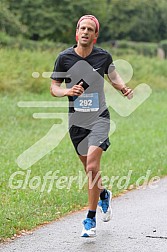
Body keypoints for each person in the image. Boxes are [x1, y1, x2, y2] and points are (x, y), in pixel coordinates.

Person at [50, 14, 133, 237]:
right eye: (82, 28)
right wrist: (67, 91)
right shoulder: (64, 58)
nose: (85, 32)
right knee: (91, 172)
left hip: (99, 119)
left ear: (95, 35)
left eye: (90, 29)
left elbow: (114, 77)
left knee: (91, 167)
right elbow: (54, 87)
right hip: (77, 122)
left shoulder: (103, 57)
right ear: (77, 32)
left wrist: (123, 88)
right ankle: (104, 194)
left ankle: (89, 218)